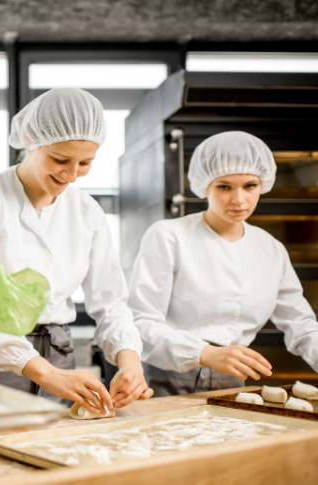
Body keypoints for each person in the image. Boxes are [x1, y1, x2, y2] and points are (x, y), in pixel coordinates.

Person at [0, 88, 153, 414]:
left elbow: (112, 304)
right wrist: (45, 373)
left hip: (61, 355)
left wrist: (130, 364)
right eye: (60, 160)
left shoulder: (87, 212)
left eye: (85, 163)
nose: (72, 175)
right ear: (30, 139)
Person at [129, 131, 318, 396]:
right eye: (224, 186)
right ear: (205, 185)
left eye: (250, 186)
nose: (239, 199)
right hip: (169, 378)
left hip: (235, 381)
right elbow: (141, 321)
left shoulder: (271, 249)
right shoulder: (168, 236)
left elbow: (300, 323)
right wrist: (203, 353)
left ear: (263, 184)